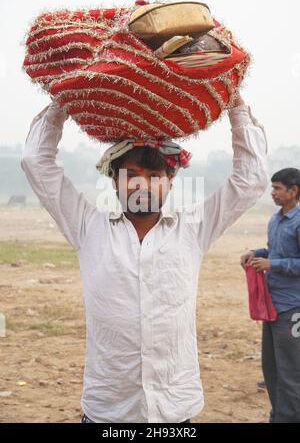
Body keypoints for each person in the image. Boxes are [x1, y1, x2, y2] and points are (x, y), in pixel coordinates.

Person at [21, 92, 268, 423]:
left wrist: (236, 107)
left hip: (174, 410)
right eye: (132, 174)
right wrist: (64, 101)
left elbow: (250, 180)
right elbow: (36, 162)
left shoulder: (194, 228)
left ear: (170, 182)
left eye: (154, 177)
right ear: (114, 182)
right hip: (108, 411)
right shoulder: (87, 226)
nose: (142, 185)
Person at [240, 168, 300, 423]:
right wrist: (257, 253)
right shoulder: (275, 219)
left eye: (277, 188)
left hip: (293, 307)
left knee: (291, 372)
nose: (272, 193)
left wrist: (272, 265)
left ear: (293, 191)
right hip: (272, 305)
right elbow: (274, 250)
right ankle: (279, 416)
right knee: (272, 370)